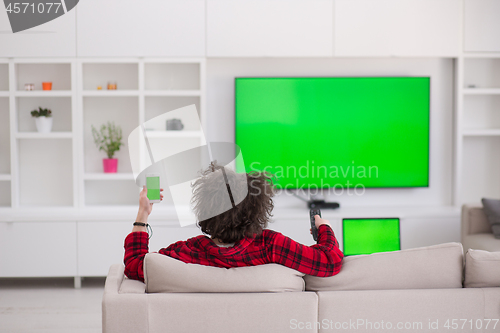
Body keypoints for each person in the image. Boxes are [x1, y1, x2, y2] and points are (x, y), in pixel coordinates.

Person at [124, 163, 343, 282]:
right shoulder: (271, 245)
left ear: (206, 209)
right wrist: (324, 228)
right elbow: (330, 261)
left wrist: (143, 213)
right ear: (259, 209)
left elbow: (134, 266)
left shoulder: (189, 251)